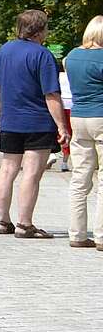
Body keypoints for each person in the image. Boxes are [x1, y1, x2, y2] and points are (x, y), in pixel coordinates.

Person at [0, 10, 71, 239]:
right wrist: (62, 126)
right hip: (38, 122)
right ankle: (25, 224)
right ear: (40, 30)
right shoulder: (43, 56)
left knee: (7, 169)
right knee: (31, 173)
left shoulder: (4, 51)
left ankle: (3, 221)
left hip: (11, 121)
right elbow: (51, 95)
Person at [65, 15, 103, 250]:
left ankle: (77, 234)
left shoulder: (71, 57)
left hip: (78, 117)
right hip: (102, 116)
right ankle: (101, 235)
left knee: (80, 177)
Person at [51, 50, 73, 172]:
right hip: (72, 105)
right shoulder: (74, 76)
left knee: (56, 130)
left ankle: (52, 152)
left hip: (59, 104)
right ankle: (65, 162)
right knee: (69, 133)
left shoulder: (57, 76)